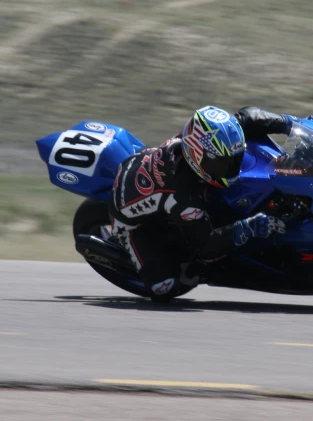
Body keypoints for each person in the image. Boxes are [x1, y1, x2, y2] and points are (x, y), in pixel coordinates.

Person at [108, 106, 295, 300]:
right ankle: (131, 251)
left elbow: (247, 116)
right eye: (223, 163)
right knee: (166, 287)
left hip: (146, 170)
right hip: (130, 222)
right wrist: (248, 228)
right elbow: (206, 247)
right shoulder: (183, 196)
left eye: (235, 159)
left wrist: (291, 123)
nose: (231, 167)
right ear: (198, 158)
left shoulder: (200, 140)